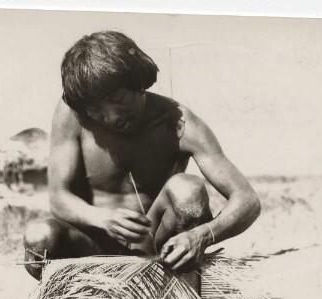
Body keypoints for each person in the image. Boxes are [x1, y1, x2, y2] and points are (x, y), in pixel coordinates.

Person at [23, 31, 260, 279]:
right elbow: (59, 198)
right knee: (39, 236)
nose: (111, 117)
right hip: (90, 249)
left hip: (157, 252)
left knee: (187, 190)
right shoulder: (73, 115)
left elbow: (247, 200)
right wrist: (102, 218)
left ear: (139, 84)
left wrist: (202, 235)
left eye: (118, 99)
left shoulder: (177, 122)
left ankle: (179, 293)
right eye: (95, 109)